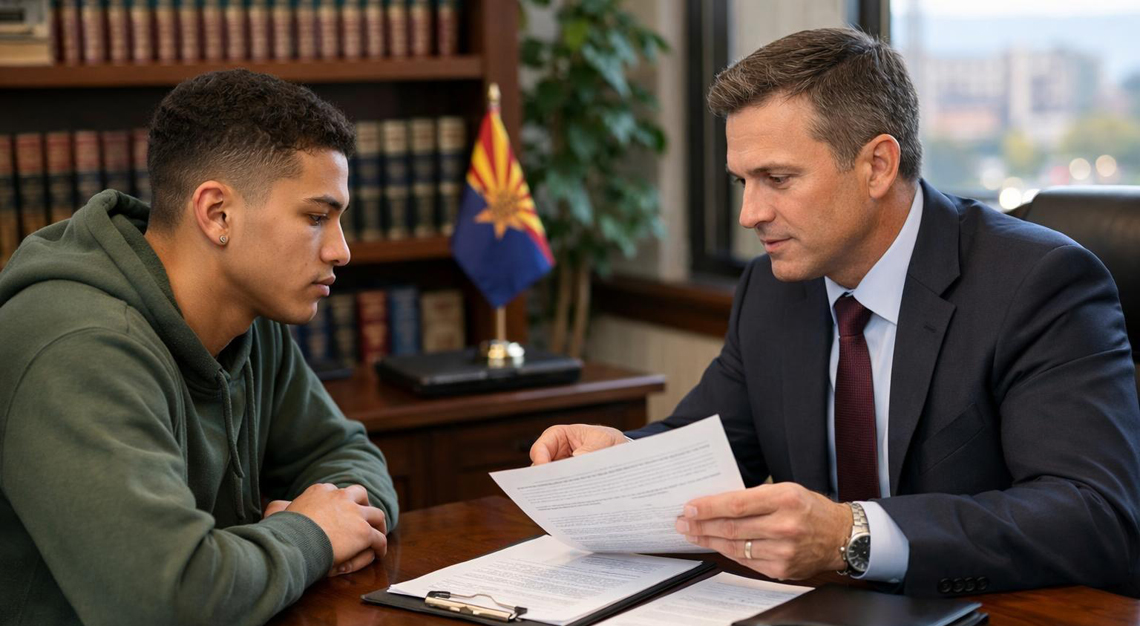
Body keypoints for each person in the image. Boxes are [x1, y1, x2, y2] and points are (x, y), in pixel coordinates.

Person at [531, 28, 1140, 598]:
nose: (750, 215)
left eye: (776, 178)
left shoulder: (1037, 283)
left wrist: (854, 535)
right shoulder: (771, 288)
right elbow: (713, 447)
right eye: (743, 181)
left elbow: (1095, 514)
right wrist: (621, 457)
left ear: (877, 165)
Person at [0, 69, 397, 625]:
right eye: (315, 217)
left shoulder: (252, 321)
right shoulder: (78, 348)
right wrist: (309, 535)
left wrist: (336, 514)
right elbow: (165, 602)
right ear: (217, 214)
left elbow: (350, 458)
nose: (341, 250)